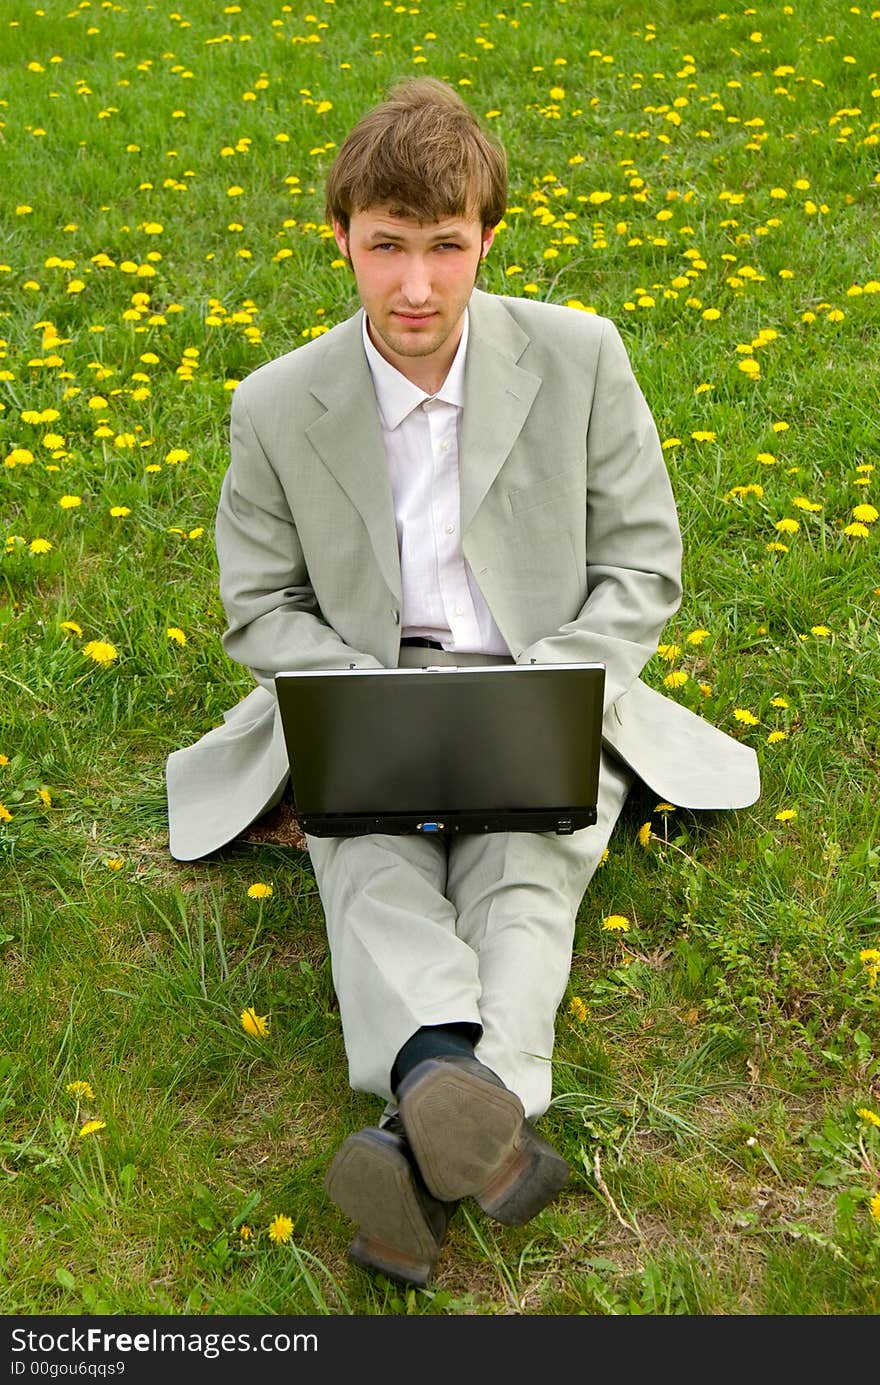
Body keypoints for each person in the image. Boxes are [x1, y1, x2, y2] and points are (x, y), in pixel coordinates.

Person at [165, 77, 759, 1287]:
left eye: (446, 247)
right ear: (340, 238)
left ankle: (424, 1104)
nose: (418, 286)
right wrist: (347, 688)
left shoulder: (581, 355)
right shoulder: (276, 404)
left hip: (543, 676)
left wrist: (555, 680)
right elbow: (260, 603)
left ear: (488, 236)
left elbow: (641, 563)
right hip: (365, 685)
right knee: (366, 855)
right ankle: (468, 1107)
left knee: (532, 857)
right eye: (387, 249)